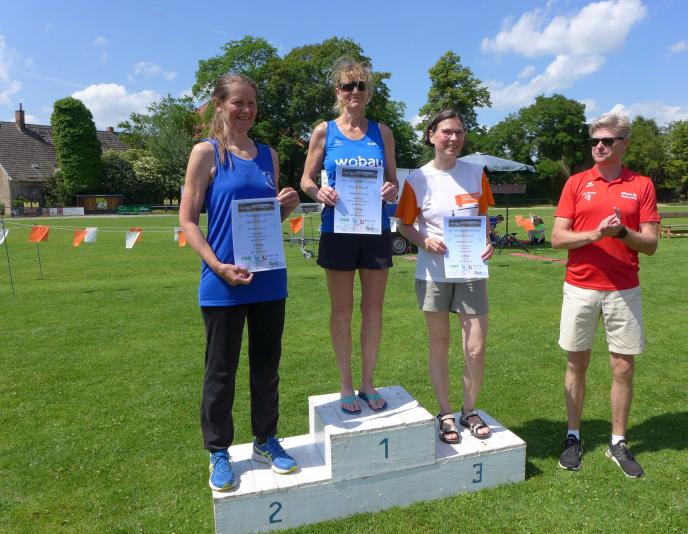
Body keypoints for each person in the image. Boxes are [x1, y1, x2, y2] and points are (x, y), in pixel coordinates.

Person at [179, 74, 301, 491]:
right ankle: (218, 451)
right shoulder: (205, 153)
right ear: (219, 105)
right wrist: (218, 266)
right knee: (220, 372)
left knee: (267, 368)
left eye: (252, 103)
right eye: (238, 103)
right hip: (223, 283)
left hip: (269, 280)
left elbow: (264, 220)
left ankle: (266, 439)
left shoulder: (268, 155)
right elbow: (187, 221)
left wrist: (285, 208)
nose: (246, 110)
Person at [551, 112, 660, 478]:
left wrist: (622, 233)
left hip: (623, 289)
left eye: (607, 141)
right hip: (580, 286)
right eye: (595, 140)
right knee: (576, 363)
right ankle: (572, 437)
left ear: (623, 144)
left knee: (623, 367)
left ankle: (618, 442)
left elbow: (651, 244)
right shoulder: (576, 183)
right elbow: (557, 237)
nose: (598, 146)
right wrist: (596, 234)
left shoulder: (641, 185)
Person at [300, 58, 398, 415]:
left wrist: (391, 189)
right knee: (341, 311)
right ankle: (345, 384)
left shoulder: (382, 132)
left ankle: (368, 383)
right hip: (337, 229)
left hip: (374, 229)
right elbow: (306, 180)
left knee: (373, 310)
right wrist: (318, 192)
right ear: (338, 92)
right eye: (347, 85)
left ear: (368, 93)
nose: (354, 91)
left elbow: (393, 181)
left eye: (361, 86)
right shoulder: (324, 131)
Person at [396, 109, 495, 444]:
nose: (453, 138)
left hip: (470, 271)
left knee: (476, 348)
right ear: (432, 135)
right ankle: (446, 412)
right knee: (439, 343)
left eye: (459, 132)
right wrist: (424, 240)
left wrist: (487, 241)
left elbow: (483, 219)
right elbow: (404, 225)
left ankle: (470, 409)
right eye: (447, 132)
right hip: (433, 273)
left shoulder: (476, 174)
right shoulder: (417, 179)